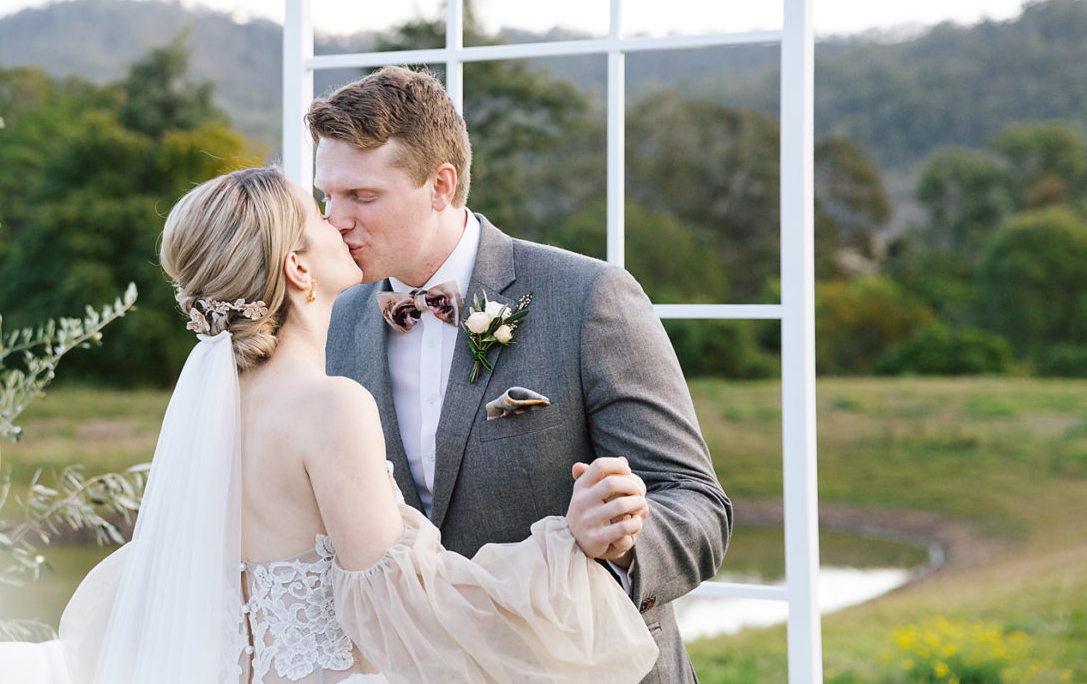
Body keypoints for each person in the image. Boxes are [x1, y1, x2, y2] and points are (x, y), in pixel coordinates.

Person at [58, 167, 658, 684]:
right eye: (320, 215)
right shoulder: (329, 406)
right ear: (297, 268)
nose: (339, 222)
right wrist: (566, 544)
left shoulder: (217, 409)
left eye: (350, 200)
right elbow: (410, 611)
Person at [307, 66, 731, 684]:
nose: (334, 221)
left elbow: (698, 504)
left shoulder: (588, 297)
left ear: (440, 186)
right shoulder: (336, 321)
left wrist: (618, 540)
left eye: (362, 197)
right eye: (328, 196)